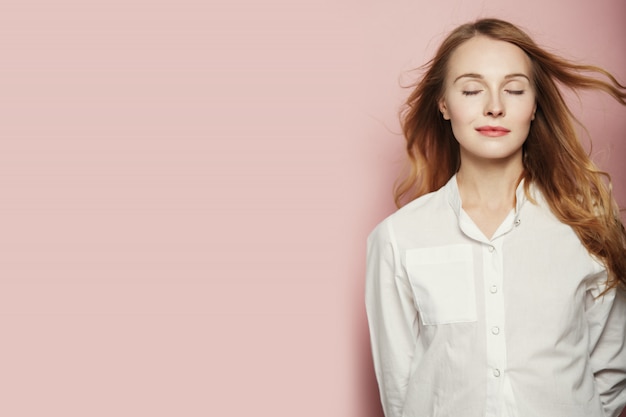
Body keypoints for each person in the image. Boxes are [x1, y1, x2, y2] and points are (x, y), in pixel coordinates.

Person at [365, 18, 626, 417]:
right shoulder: (399, 238)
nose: (494, 106)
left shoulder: (585, 224)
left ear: (534, 104)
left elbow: (611, 370)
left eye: (514, 89)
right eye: (471, 89)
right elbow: (399, 387)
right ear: (443, 104)